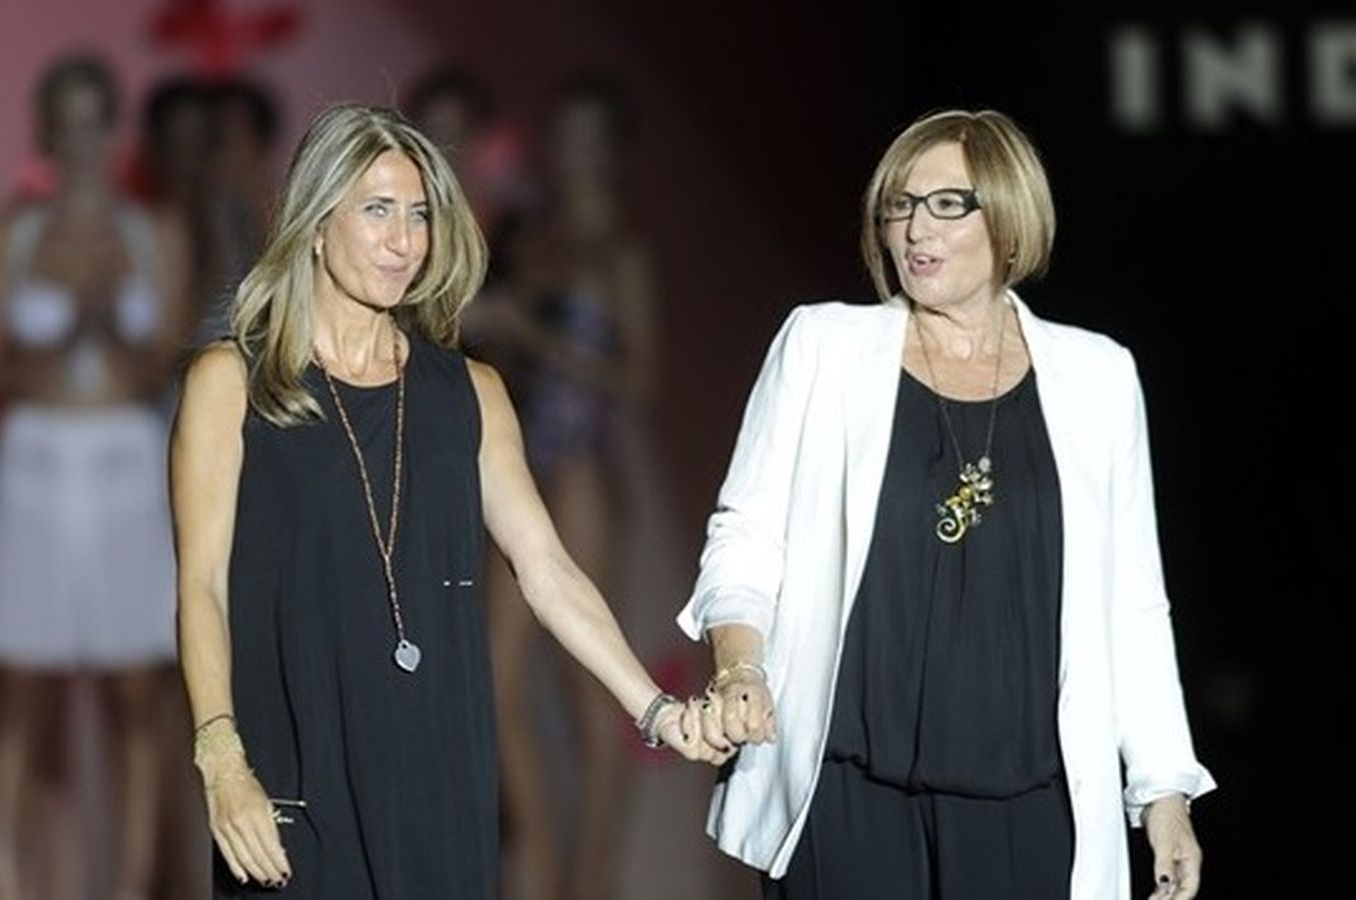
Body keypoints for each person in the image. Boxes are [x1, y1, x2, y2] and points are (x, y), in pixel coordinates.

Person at [170, 103, 717, 898]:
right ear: (316, 223)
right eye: (378, 210)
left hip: (441, 780)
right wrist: (221, 762)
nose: (405, 239)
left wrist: (655, 709)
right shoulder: (233, 383)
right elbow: (201, 588)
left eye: (420, 213)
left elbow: (547, 569)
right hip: (294, 780)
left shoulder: (471, 393)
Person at [678, 109, 1215, 900]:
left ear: (1008, 215)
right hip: (847, 785)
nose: (914, 229)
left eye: (946, 204)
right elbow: (747, 535)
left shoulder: (1098, 378)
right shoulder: (822, 347)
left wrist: (1163, 792)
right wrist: (739, 667)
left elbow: (1134, 603)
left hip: (1030, 797)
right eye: (899, 205)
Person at [0, 53, 189, 900]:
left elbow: (164, 365)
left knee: (134, 695)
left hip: (123, 464)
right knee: (17, 696)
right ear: (45, 131)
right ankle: (6, 882)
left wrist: (104, 324)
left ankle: (128, 887)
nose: (83, 139)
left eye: (97, 120)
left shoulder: (151, 233)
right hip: (36, 464)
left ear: (113, 127)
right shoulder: (8, 238)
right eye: (67, 121)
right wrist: (65, 335)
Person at [473, 74, 659, 899]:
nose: (575, 153)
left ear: (615, 154)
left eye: (592, 137)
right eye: (564, 135)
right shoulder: (531, 236)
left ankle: (591, 883)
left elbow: (639, 376)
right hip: (523, 468)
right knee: (499, 683)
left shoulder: (619, 250)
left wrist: (533, 336)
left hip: (581, 465)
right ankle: (545, 872)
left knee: (593, 691)